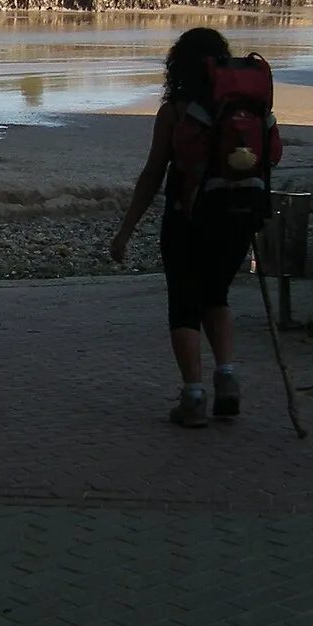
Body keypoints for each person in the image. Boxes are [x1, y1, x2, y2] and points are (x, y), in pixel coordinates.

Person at [108, 27, 256, 428]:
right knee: (217, 294)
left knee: (184, 303)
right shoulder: (244, 106)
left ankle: (193, 397)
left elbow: (154, 173)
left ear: (178, 64)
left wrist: (125, 232)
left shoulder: (175, 111)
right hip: (238, 216)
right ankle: (227, 379)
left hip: (187, 216)